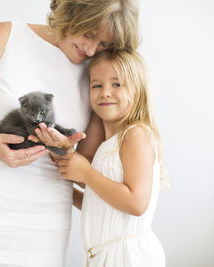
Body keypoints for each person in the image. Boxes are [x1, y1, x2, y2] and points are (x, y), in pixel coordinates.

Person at [0, 0, 140, 266]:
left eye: (103, 44)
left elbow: (87, 173)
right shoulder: (7, 36)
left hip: (40, 228)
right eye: (88, 34)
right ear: (70, 13)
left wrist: (66, 152)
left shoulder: (96, 77)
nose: (91, 49)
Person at [55, 49, 166, 266]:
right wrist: (64, 191)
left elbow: (136, 203)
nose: (105, 92)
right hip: (105, 256)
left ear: (138, 90)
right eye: (97, 85)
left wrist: (86, 173)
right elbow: (104, 203)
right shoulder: (107, 146)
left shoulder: (135, 135)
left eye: (117, 84)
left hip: (129, 257)